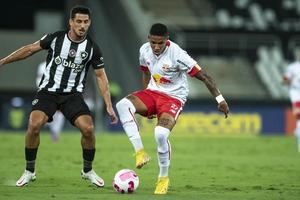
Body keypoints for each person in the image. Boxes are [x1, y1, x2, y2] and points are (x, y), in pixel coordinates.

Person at [0, 5, 118, 187]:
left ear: (90, 23)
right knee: (34, 124)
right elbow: (29, 49)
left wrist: (109, 105)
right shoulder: (55, 38)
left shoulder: (92, 48)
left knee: (88, 129)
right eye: (78, 21)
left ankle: (88, 170)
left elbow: (101, 76)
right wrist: (3, 61)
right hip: (48, 92)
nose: (82, 26)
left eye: (86, 22)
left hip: (72, 95)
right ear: (71, 22)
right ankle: (29, 170)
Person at [116, 23, 229, 194]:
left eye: (160, 43)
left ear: (167, 40)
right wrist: (147, 101)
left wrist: (220, 99)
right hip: (153, 93)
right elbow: (146, 73)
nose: (156, 47)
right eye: (153, 42)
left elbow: (205, 77)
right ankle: (140, 152)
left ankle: (163, 178)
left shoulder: (178, 55)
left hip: (173, 98)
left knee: (160, 134)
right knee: (122, 105)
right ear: (148, 39)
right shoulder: (144, 50)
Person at [36, 61, 65, 141]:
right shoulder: (42, 65)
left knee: (59, 113)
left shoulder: (62, 64)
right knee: (44, 113)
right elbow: (38, 79)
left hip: (58, 92)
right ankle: (39, 130)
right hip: (45, 92)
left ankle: (55, 133)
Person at [283, 47, 300, 152]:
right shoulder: (292, 67)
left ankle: (297, 131)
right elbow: (285, 79)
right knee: (299, 116)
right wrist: (287, 82)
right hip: (296, 93)